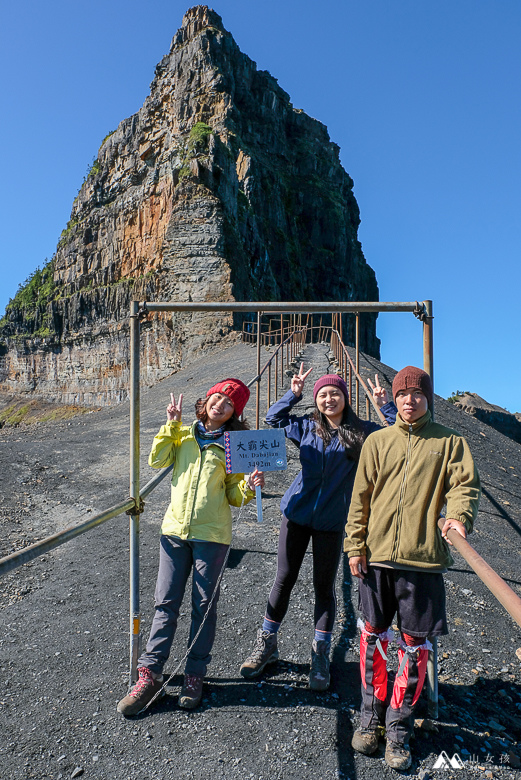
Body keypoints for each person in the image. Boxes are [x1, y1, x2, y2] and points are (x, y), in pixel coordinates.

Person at [345, 366, 480, 770]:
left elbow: (464, 486)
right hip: (377, 558)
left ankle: (399, 726)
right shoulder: (377, 441)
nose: (408, 400)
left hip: (423, 561)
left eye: (416, 395)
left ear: (427, 398)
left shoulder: (450, 442)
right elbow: (360, 498)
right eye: (402, 394)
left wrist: (458, 516)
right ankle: (370, 718)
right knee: (372, 641)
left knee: (414, 650)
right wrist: (354, 545)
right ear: (395, 397)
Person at [240, 366, 396, 691]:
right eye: (322, 395)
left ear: (345, 398)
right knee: (284, 579)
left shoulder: (362, 431)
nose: (328, 399)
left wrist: (385, 406)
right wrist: (293, 393)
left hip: (332, 522)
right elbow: (273, 419)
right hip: (295, 513)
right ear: (316, 400)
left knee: (324, 588)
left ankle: (321, 655)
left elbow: (397, 434)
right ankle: (267, 644)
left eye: (334, 394)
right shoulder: (307, 425)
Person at [117, 379, 264, 716]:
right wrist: (170, 422)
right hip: (174, 532)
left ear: (233, 414)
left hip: (212, 536)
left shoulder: (232, 446)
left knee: (203, 606)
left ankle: (195, 674)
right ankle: (150, 674)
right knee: (165, 603)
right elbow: (157, 459)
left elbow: (234, 496)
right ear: (207, 399)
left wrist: (249, 484)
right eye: (218, 397)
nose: (221, 405)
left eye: (230, 404)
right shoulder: (182, 434)